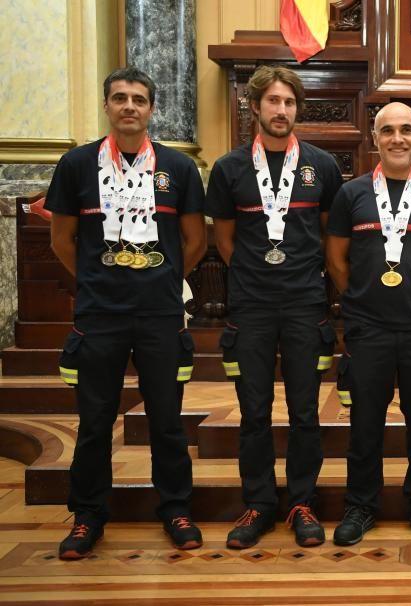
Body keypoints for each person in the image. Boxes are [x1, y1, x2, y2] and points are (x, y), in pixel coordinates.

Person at [46, 67, 207, 559]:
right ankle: (87, 515)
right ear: (107, 106)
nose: (130, 106)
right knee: (94, 421)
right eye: (120, 98)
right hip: (101, 314)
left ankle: (176, 508)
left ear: (152, 109)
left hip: (159, 313)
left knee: (166, 419)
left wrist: (158, 278)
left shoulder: (177, 169)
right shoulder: (76, 165)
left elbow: (194, 242)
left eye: (139, 99)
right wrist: (99, 277)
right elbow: (62, 241)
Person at [206, 65, 342, 549]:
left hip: (306, 303)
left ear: (297, 109)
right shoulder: (229, 168)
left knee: (305, 410)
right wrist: (257, 274)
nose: (280, 110)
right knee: (253, 411)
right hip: (253, 305)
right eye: (272, 102)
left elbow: (328, 234)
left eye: (288, 102)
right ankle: (259, 504)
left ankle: (302, 503)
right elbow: (223, 239)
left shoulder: (322, 166)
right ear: (255, 107)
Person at [326, 102, 411, 546]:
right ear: (374, 137)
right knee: (365, 425)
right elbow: (337, 258)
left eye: (406, 130)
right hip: (369, 330)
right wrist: (360, 302)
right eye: (388, 131)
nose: (398, 138)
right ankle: (361, 506)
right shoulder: (353, 194)